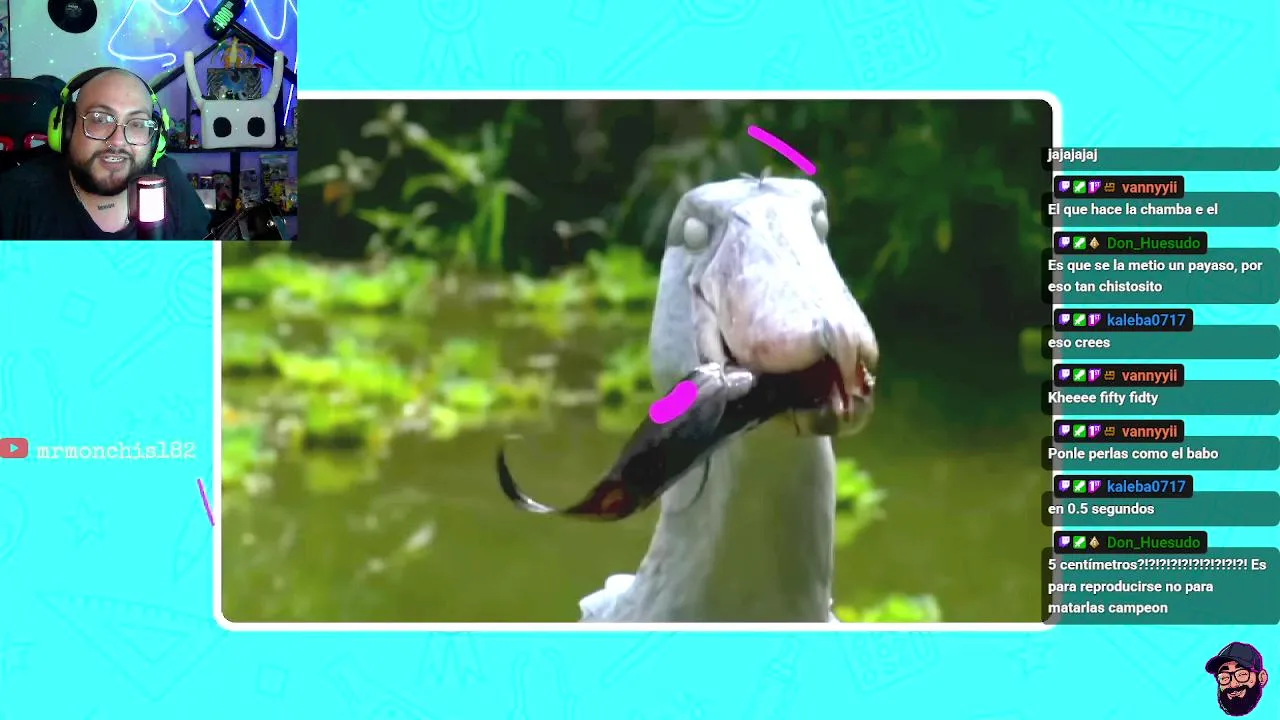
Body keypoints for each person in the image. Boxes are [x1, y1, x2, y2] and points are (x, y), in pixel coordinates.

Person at [0, 67, 209, 239]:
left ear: (155, 139)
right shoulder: (15, 196)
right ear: (66, 128)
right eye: (100, 119)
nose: (117, 141)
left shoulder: (168, 178)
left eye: (137, 123)